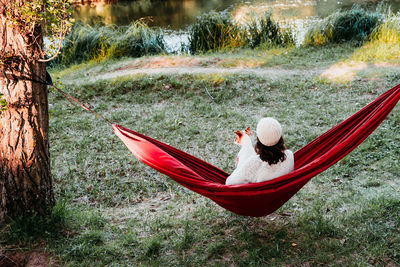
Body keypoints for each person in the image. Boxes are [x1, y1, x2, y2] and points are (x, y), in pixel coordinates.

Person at [225, 117, 294, 185]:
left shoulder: (253, 164)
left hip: (262, 196)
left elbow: (229, 183)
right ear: (280, 137)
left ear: (259, 139)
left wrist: (240, 165)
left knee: (246, 150)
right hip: (282, 193)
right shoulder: (290, 156)